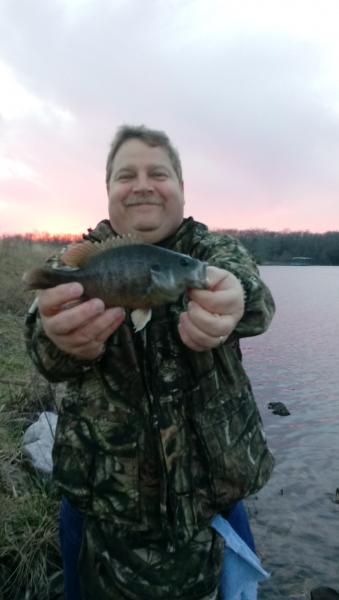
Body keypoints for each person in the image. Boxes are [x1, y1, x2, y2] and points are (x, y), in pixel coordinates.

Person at [25, 125, 275, 600]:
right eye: (126, 175)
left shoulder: (207, 252)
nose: (142, 184)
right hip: (99, 514)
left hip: (213, 510)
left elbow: (253, 293)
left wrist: (235, 299)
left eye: (158, 172)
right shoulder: (77, 260)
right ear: (108, 192)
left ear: (181, 189)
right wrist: (58, 337)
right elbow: (40, 341)